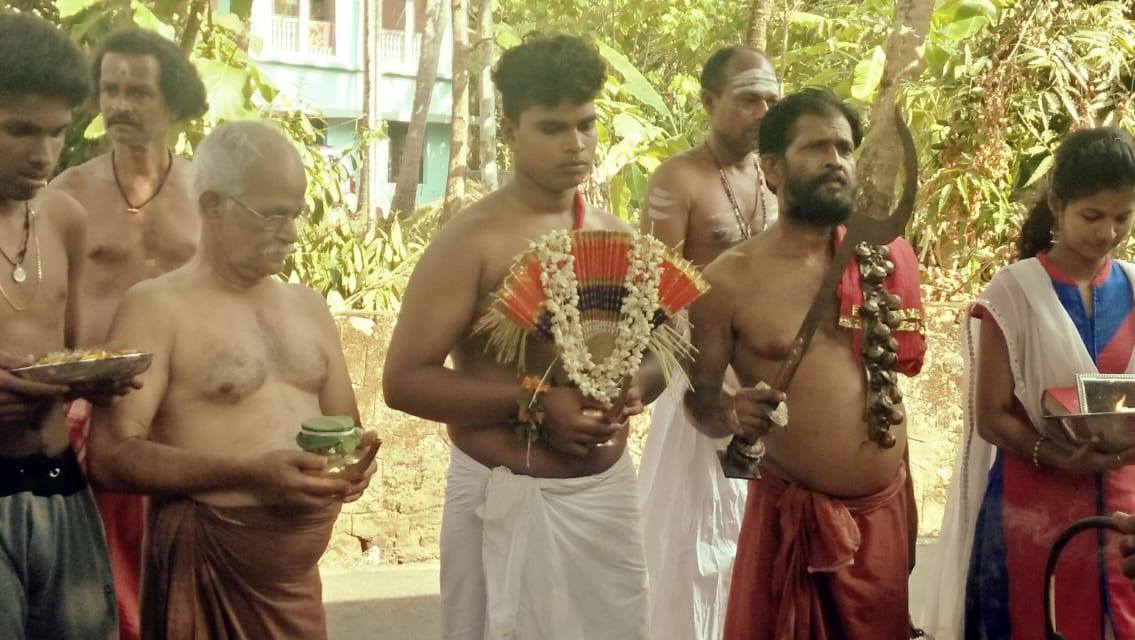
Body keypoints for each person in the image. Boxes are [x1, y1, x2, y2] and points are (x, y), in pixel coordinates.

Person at [383, 34, 653, 640]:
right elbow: (403, 382)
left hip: (606, 500)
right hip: (505, 498)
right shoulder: (470, 240)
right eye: (553, 127)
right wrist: (534, 403)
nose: (576, 143)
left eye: (586, 124)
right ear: (508, 130)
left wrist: (635, 388)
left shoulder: (615, 234)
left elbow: (657, 356)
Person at [86, 121, 379, 639]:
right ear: (214, 206)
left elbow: (345, 429)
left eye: (296, 213)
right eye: (271, 215)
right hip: (209, 568)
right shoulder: (156, 307)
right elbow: (110, 455)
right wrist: (250, 473)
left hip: (295, 586)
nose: (289, 232)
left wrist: (352, 467)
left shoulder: (308, 308)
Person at [684, 88, 926, 639]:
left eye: (844, 148)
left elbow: (889, 380)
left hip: (884, 515)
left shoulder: (886, 259)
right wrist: (731, 412)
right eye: (816, 147)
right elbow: (698, 401)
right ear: (771, 168)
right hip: (794, 528)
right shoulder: (727, 280)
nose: (836, 160)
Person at [915, 127, 1135, 639]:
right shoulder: (1014, 292)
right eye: (1092, 216)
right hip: (1032, 507)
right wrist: (1055, 455)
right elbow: (990, 415)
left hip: (1124, 510)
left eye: (1122, 217)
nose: (1107, 233)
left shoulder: (1132, 285)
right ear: (1058, 206)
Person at [50, 27, 206, 640]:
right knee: (102, 594)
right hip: (93, 414)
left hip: (183, 416)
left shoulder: (206, 194)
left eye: (137, 91)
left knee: (180, 586)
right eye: (110, 89)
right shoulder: (69, 194)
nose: (119, 104)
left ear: (174, 102)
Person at [635, 45, 779, 640]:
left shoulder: (776, 178)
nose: (762, 111)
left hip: (767, 381)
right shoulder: (679, 178)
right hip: (698, 380)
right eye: (748, 98)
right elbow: (652, 297)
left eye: (771, 100)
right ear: (708, 101)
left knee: (757, 542)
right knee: (692, 544)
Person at [0, 11, 131, 639]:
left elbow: (72, 355)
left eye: (56, 133)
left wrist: (99, 377)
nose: (44, 154)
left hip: (58, 484)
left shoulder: (63, 220)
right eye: (20, 131)